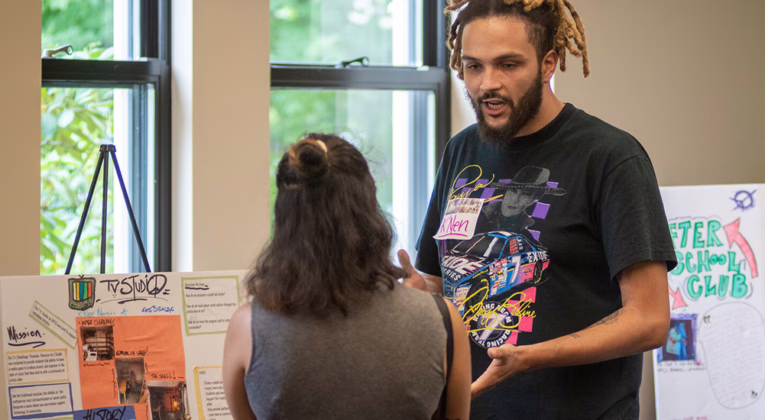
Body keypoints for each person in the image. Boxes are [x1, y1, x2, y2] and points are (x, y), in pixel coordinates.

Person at [399, 0, 677, 417]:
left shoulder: (610, 157)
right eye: (474, 67)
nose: (487, 84)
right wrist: (418, 301)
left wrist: (531, 357)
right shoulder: (462, 150)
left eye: (508, 65)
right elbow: (441, 283)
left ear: (549, 64)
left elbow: (649, 319)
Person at [223, 134, 471, 420]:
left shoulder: (247, 327)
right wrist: (418, 310)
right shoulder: (443, 321)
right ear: (370, 209)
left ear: (286, 218)